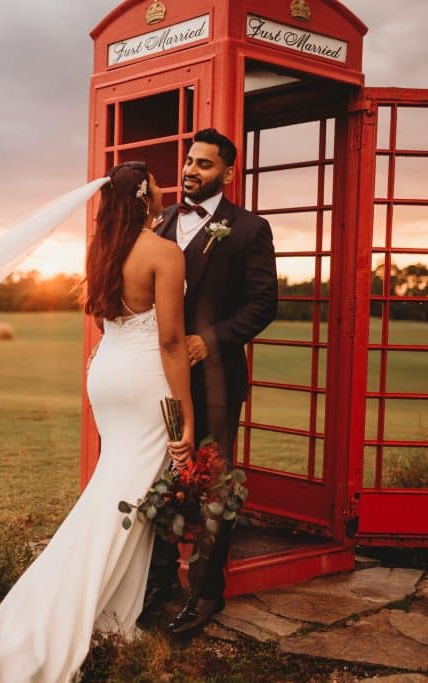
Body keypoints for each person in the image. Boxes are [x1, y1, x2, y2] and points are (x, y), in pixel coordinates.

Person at [0, 161, 195, 682]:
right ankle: (61, 614)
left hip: (107, 374)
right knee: (125, 497)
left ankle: (112, 617)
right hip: (146, 381)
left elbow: (107, 320)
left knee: (121, 493)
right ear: (146, 194)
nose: (166, 186)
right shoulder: (164, 253)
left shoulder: (103, 251)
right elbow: (170, 342)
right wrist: (184, 415)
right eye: (158, 183)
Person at [143, 128, 278, 635]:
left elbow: (264, 305)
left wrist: (211, 339)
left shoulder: (248, 229)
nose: (190, 171)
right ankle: (157, 580)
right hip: (157, 380)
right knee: (158, 476)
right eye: (188, 161)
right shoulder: (159, 223)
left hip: (217, 381)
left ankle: (205, 593)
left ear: (226, 172)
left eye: (203, 164)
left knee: (214, 485)